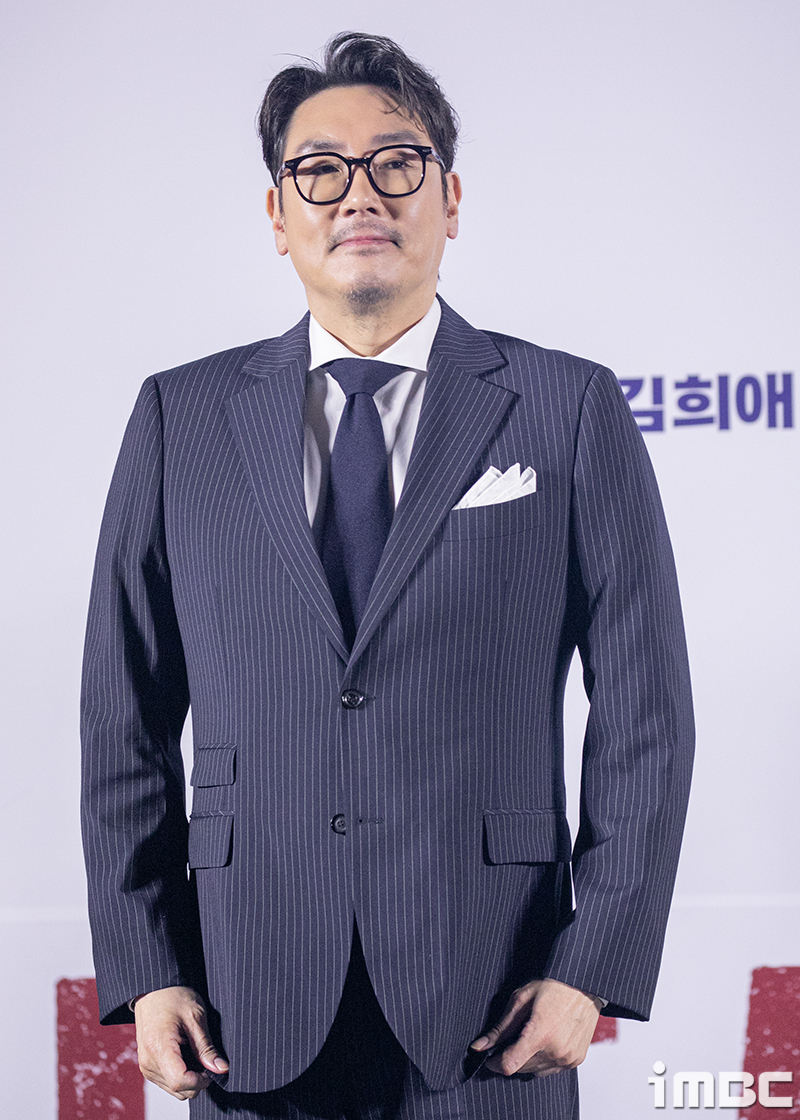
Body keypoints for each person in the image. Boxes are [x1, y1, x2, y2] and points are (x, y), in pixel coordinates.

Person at [80, 31, 694, 1120]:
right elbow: (121, 714)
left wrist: (590, 963)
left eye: (396, 163)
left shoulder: (567, 407)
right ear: (278, 215)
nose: (359, 193)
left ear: (448, 199)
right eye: (320, 169)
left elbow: (645, 713)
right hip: (244, 996)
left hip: (493, 999)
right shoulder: (181, 416)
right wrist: (147, 966)